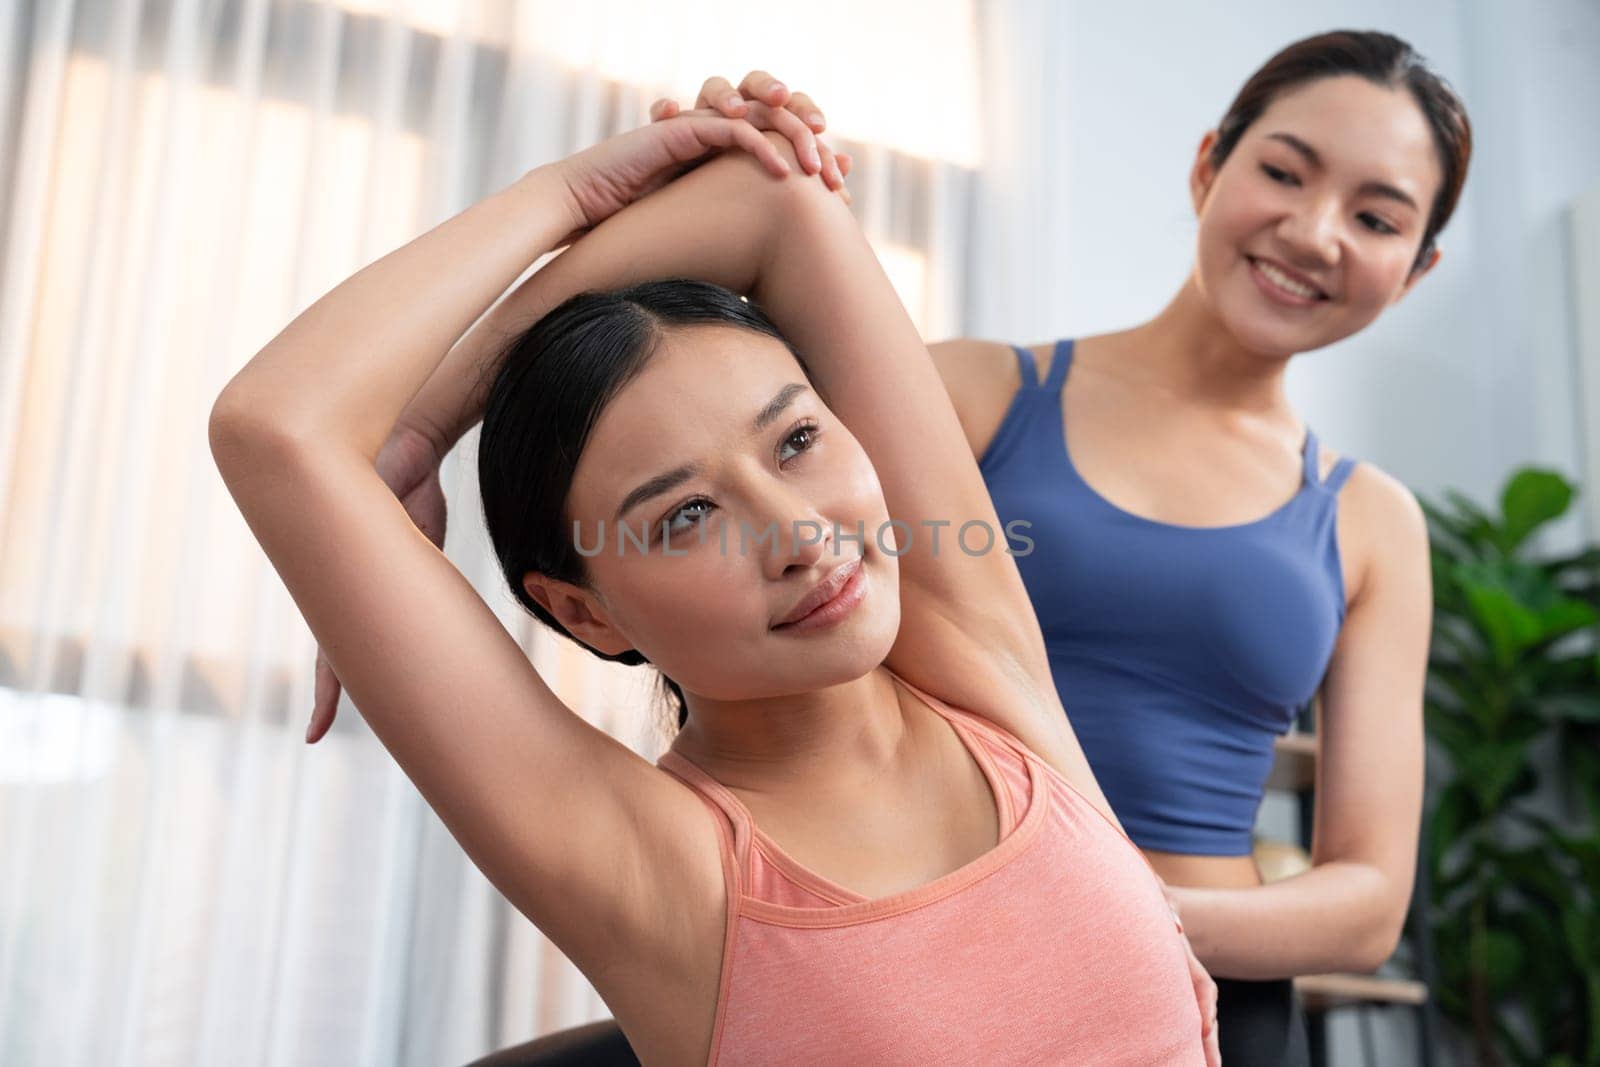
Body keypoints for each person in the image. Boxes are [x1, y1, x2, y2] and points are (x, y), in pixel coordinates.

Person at [211, 100, 1219, 1063]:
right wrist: (562, 191)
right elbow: (277, 423)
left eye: (796, 438)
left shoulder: (977, 665)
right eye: (686, 514)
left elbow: (770, 198)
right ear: (584, 610)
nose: (799, 531)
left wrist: (432, 419)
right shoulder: (655, 867)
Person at [656, 29, 1468, 1066]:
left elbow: (1366, 897)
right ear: (1209, 163)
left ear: (1416, 268)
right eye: (1282, 172)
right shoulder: (978, 396)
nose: (1314, 233)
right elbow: (709, 415)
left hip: (1209, 1002)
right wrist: (721, 163)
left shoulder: (1371, 521)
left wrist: (1131, 914)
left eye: (1375, 217)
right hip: (928, 964)